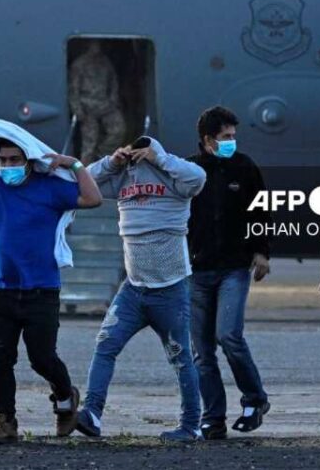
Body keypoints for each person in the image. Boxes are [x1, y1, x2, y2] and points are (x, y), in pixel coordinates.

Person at [0, 112, 103, 444]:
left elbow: (92, 198)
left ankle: (64, 398)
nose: (8, 164)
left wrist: (73, 165)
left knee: (42, 358)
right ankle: (5, 421)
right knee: (0, 357)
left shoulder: (50, 189)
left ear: (28, 161)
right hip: (2, 291)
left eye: (14, 159)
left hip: (41, 291)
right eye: (2, 159)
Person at [76, 137, 207, 442]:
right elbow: (81, 182)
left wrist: (159, 157)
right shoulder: (123, 177)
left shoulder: (175, 178)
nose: (139, 156)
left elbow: (199, 177)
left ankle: (191, 426)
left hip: (170, 290)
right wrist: (112, 162)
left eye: (143, 150)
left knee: (180, 357)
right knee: (105, 345)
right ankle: (92, 414)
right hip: (133, 290)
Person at [186, 106, 271, 439]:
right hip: (196, 270)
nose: (231, 142)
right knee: (201, 351)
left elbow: (261, 212)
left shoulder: (244, 167)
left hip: (234, 268)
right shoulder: (190, 170)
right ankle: (213, 417)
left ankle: (255, 399)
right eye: (225, 137)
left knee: (229, 336)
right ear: (208, 139)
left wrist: (262, 252)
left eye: (234, 137)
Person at [69, 41, 126, 163]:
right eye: (94, 45)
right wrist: (77, 109)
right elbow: (73, 89)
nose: (97, 48)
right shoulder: (79, 64)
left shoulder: (105, 62)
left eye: (99, 45)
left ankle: (102, 155)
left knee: (118, 129)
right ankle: (86, 173)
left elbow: (113, 81)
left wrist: (113, 100)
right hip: (87, 106)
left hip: (105, 104)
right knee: (90, 142)